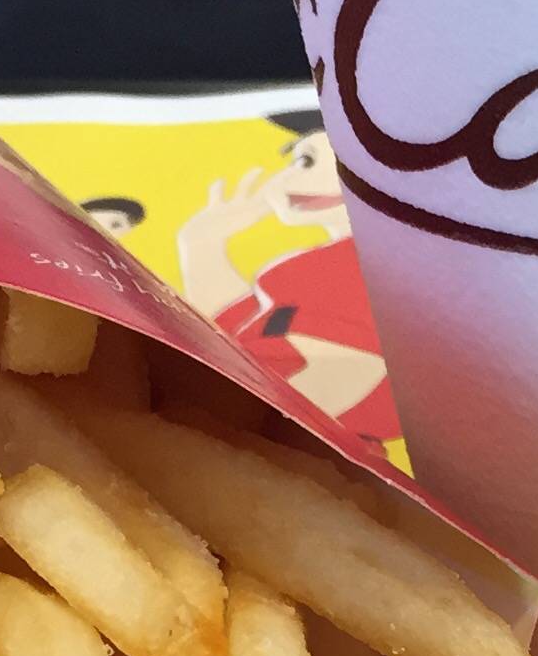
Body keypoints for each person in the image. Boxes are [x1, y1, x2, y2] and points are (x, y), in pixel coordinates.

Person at [168, 110, 398, 433]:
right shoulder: (317, 269)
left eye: (311, 162)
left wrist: (234, 430)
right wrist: (202, 244)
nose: (289, 180)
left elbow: (346, 373)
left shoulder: (358, 266)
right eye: (300, 160)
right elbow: (242, 330)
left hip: (298, 446)